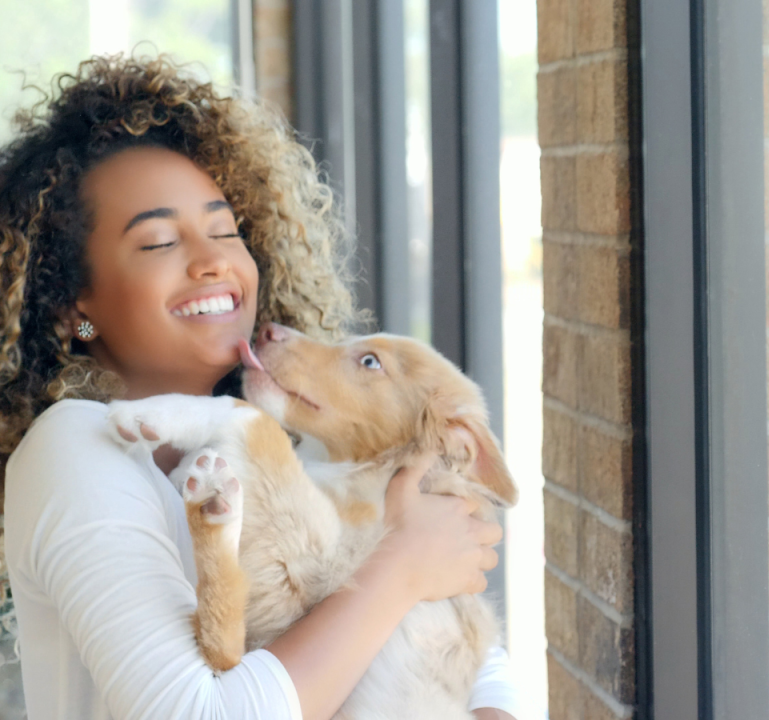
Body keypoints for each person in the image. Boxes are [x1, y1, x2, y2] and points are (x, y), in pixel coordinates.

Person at [0, 54, 521, 720]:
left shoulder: (291, 443)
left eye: (226, 230)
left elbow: (463, 650)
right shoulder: (74, 449)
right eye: (159, 241)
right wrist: (400, 565)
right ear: (73, 306)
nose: (215, 257)